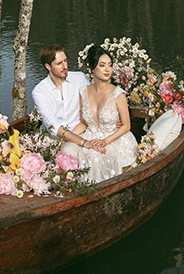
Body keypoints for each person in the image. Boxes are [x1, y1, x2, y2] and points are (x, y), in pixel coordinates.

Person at [77, 44, 138, 182]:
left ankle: (100, 194)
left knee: (94, 156)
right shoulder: (83, 92)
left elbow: (126, 126)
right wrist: (68, 135)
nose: (107, 70)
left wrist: (105, 141)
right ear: (92, 68)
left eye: (109, 65)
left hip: (114, 138)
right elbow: (83, 123)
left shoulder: (118, 94)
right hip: (91, 136)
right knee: (81, 153)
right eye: (102, 65)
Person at [32, 44, 93, 157]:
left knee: (74, 152)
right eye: (59, 63)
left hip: (80, 132)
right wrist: (83, 143)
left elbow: (94, 106)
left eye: (65, 61)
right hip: (52, 139)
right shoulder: (39, 91)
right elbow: (52, 124)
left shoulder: (80, 78)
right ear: (48, 66)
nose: (65, 66)